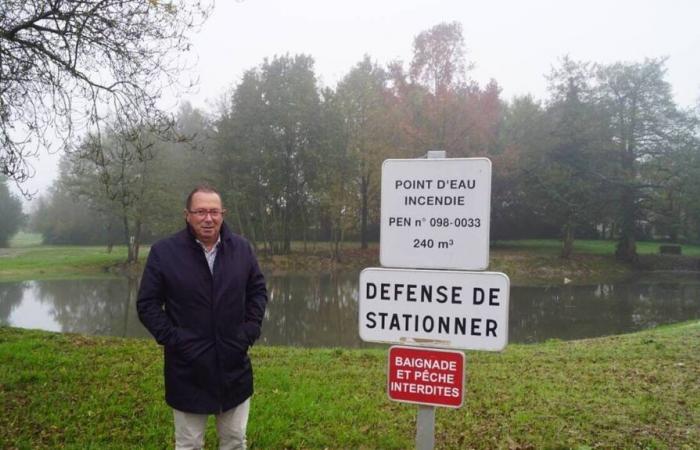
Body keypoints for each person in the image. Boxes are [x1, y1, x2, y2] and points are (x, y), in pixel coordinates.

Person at [137, 184, 267, 450]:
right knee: (189, 444)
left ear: (223, 213)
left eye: (214, 212)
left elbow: (257, 291)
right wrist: (174, 339)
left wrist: (249, 330)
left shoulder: (242, 249)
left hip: (234, 367)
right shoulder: (164, 253)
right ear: (187, 215)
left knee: (234, 441)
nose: (208, 218)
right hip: (187, 369)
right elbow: (147, 304)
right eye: (200, 212)